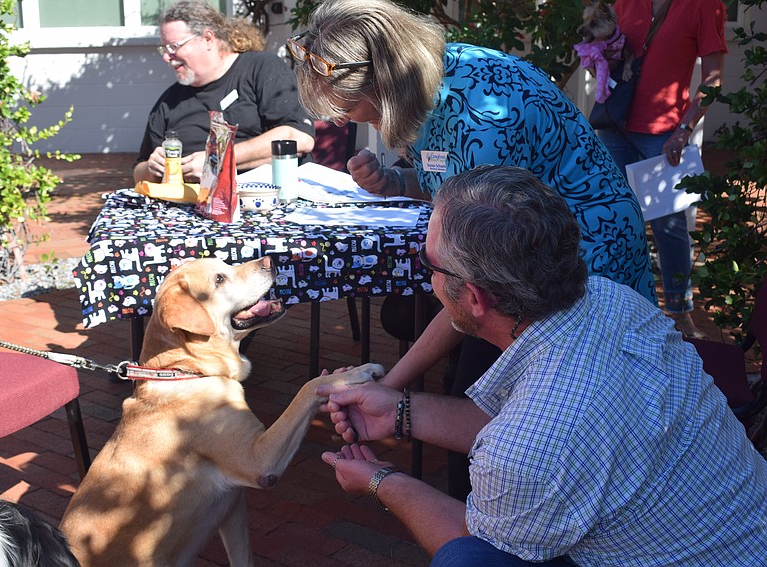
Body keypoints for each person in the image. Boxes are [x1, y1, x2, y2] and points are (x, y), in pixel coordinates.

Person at [290, 0, 657, 500]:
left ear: (384, 86)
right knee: (475, 385)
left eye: (349, 108)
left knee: (520, 413)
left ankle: (492, 518)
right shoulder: (434, 77)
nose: (345, 120)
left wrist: (390, 385)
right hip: (521, 263)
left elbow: (471, 285)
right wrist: (395, 180)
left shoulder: (485, 117)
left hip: (584, 267)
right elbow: (445, 177)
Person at [318, 165, 767, 566]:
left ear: (475, 298)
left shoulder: (524, 457)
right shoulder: (613, 299)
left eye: (428, 263)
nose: (426, 276)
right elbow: (528, 431)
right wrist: (396, 410)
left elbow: (478, 544)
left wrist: (381, 481)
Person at [596, 0, 727, 339]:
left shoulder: (704, 6)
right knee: (616, 219)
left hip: (665, 136)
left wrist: (684, 131)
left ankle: (680, 312)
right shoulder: (624, 3)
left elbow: (713, 79)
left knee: (669, 229)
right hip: (616, 127)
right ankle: (621, 306)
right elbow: (611, 54)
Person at [133, 0, 315, 183]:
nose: (166, 57)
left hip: (268, 199)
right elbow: (138, 171)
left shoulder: (261, 69)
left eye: (174, 46)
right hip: (192, 206)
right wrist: (151, 168)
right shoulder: (169, 102)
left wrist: (216, 159)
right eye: (164, 49)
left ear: (208, 39)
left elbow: (299, 137)